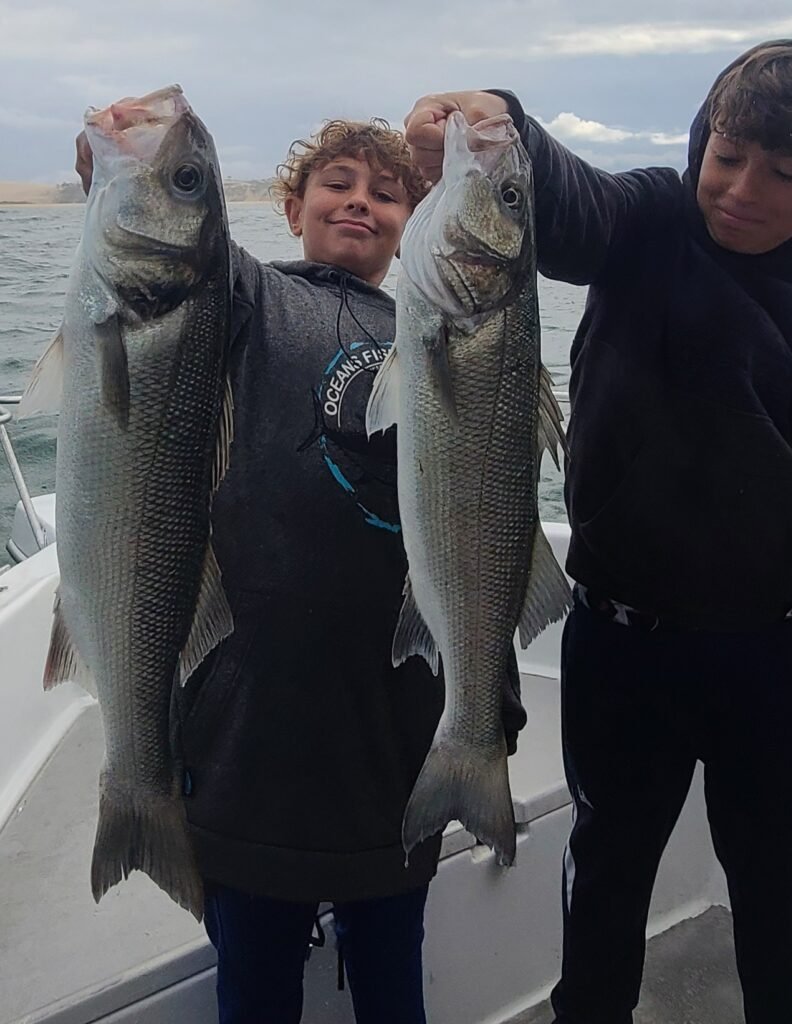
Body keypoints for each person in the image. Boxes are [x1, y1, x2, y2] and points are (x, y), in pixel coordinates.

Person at [403, 39, 792, 1024]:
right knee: (607, 873)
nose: (740, 189)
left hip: (772, 659)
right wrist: (502, 123)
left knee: (777, 899)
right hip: (621, 644)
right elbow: (573, 207)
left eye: (782, 172)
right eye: (724, 155)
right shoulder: (650, 225)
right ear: (701, 139)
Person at [76, 114, 526, 1024]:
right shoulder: (244, 301)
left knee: (393, 954)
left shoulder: (434, 324)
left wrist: (494, 700)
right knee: (255, 966)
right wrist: (109, 169)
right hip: (251, 721)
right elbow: (171, 255)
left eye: (388, 193)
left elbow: (476, 511)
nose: (361, 201)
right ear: (291, 209)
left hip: (391, 720)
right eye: (338, 184)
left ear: (416, 218)